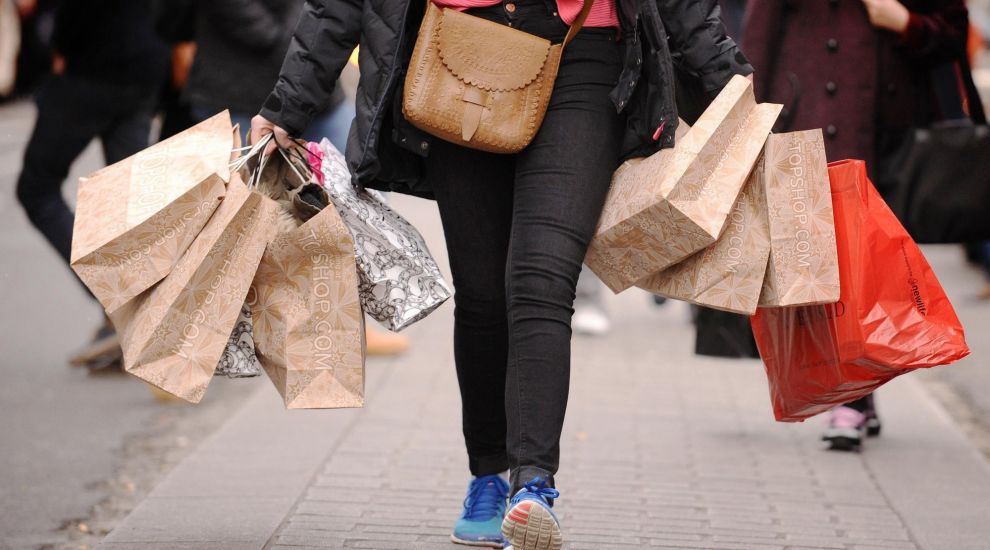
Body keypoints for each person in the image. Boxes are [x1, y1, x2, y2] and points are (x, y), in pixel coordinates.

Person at [252, 0, 751, 547]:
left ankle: (534, 486)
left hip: (583, 55)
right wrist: (288, 105)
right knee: (484, 294)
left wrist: (736, 95)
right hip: (460, 52)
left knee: (542, 278)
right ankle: (487, 474)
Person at [743, 0, 969, 451]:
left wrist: (906, 22)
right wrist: (750, 122)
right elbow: (759, 35)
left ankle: (855, 393)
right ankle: (850, 396)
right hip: (804, 121)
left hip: (885, 131)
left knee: (867, 267)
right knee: (823, 267)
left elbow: (951, 35)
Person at [14, 0, 168, 368]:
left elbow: (76, 13)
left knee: (36, 188)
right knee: (122, 198)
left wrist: (60, 47)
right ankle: (130, 313)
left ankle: (121, 301)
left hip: (93, 68)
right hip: (144, 60)